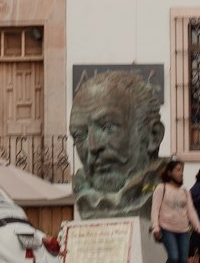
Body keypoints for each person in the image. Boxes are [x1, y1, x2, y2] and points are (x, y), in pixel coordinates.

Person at [70, 70, 165, 218]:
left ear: (153, 136)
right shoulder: (83, 193)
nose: (93, 147)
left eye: (107, 127)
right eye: (80, 135)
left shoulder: (165, 192)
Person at [151, 158, 200, 263]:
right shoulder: (161, 188)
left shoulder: (184, 191)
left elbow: (191, 212)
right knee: (173, 257)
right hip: (167, 228)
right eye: (178, 170)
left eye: (182, 171)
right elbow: (155, 210)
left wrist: (199, 228)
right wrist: (156, 227)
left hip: (183, 230)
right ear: (170, 172)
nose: (181, 174)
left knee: (183, 261)